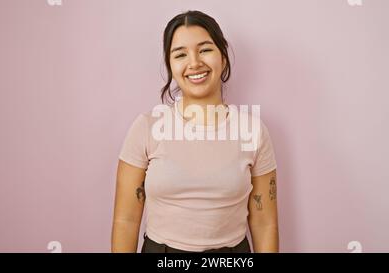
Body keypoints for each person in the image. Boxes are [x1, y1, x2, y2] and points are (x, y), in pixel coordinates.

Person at [111, 10, 279, 253]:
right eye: (180, 54)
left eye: (205, 50)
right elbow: (125, 221)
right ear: (170, 65)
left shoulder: (253, 131)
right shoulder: (146, 128)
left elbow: (265, 224)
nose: (194, 62)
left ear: (223, 56)